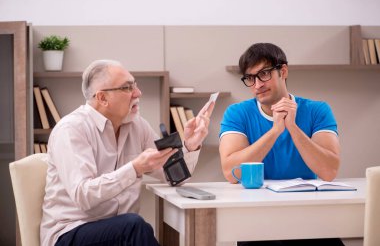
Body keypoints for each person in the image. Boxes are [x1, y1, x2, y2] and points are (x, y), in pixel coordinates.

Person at [40, 59, 214, 246]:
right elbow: (84, 196)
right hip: (71, 232)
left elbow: (174, 176)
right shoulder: (72, 129)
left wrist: (190, 145)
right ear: (102, 98)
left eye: (135, 85)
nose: (138, 93)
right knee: (134, 226)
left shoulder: (138, 126)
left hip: (120, 232)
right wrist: (135, 168)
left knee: (133, 227)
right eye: (127, 88)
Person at [219, 43, 343, 246]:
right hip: (256, 218)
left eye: (264, 74)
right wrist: (275, 131)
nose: (257, 84)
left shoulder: (317, 110)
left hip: (308, 215)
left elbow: (329, 170)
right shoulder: (237, 113)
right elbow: (232, 172)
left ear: (283, 71)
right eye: (250, 78)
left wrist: (292, 127)